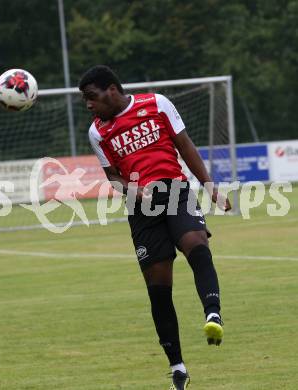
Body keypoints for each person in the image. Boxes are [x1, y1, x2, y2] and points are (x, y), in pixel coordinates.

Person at [79, 65, 231, 390]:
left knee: (197, 242)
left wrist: (209, 186)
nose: (89, 105)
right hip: (141, 207)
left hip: (175, 190)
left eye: (92, 98)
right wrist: (135, 190)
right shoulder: (97, 133)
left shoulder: (157, 104)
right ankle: (177, 366)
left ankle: (213, 315)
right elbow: (113, 178)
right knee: (159, 287)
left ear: (112, 90)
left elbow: (185, 145)